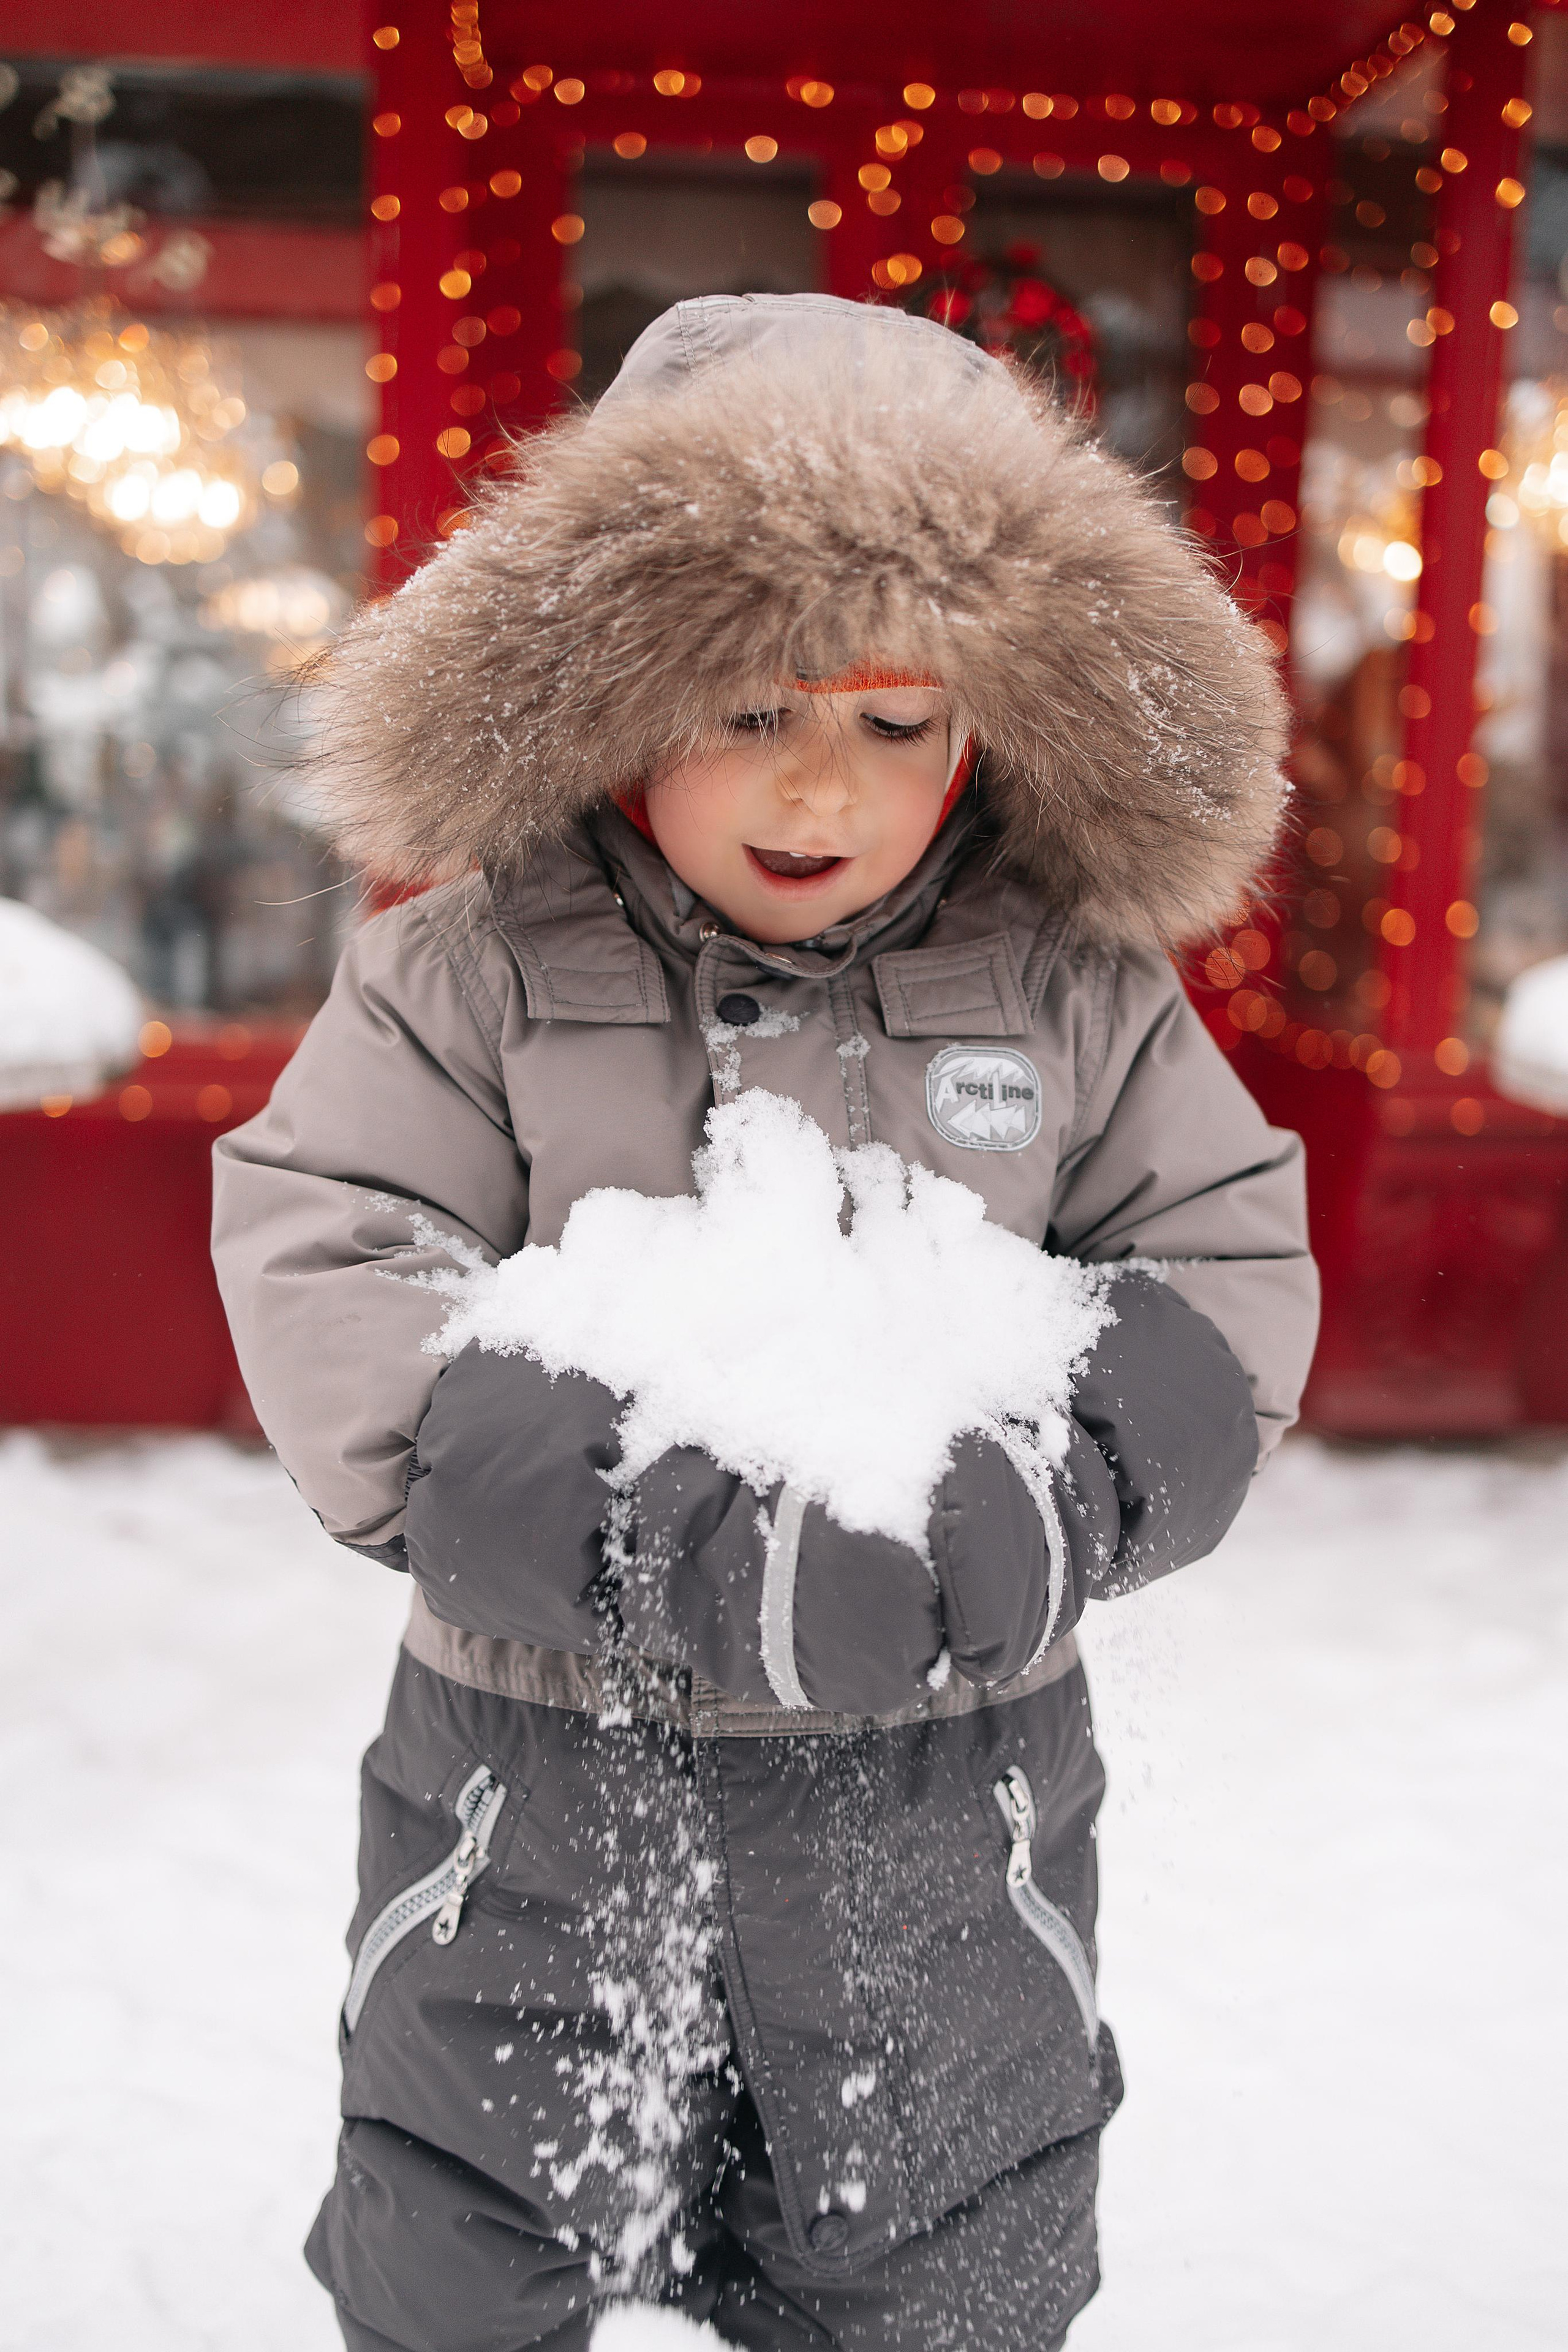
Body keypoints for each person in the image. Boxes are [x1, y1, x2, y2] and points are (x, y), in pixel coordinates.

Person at [211, 292, 1318, 2351]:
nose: (823, 783)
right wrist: (636, 1528)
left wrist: (1063, 1488)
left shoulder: (1072, 990)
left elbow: (1218, 1258)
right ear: (618, 698)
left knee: (946, 2253)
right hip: (539, 1782)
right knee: (465, 2235)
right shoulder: (470, 974)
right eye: (748, 707)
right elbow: (336, 1250)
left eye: (897, 725)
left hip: (947, 1804)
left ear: (992, 729)